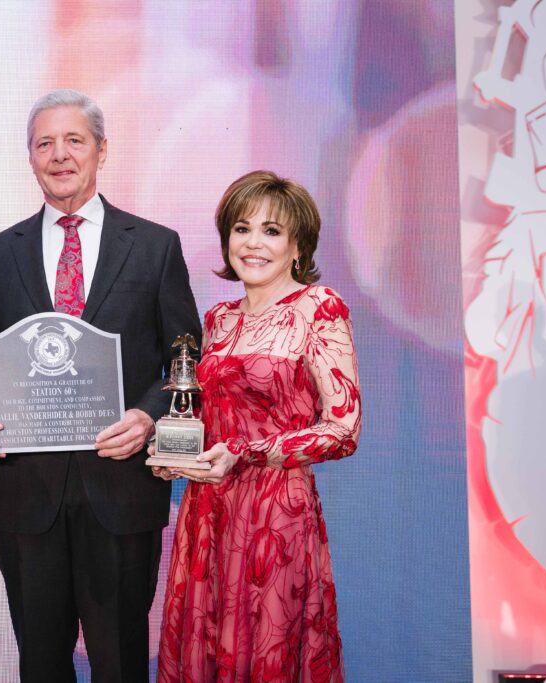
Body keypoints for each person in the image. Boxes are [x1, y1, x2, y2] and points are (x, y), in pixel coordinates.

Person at [0, 89, 201, 683]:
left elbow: (187, 354)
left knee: (120, 662)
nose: (59, 154)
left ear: (101, 150)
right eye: (45, 142)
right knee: (40, 663)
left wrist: (149, 417)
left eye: (74, 140)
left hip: (121, 488)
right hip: (25, 489)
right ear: (30, 157)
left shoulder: (154, 246)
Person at [153, 170, 361, 683]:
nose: (253, 243)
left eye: (272, 231)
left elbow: (344, 427)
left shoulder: (319, 308)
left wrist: (245, 452)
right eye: (242, 228)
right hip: (208, 513)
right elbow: (204, 416)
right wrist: (173, 451)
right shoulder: (218, 318)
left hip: (276, 514)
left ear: (297, 246)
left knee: (269, 649)